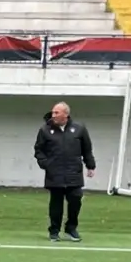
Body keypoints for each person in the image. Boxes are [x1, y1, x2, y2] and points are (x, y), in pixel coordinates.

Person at [34, 102, 95, 242]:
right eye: (53, 112)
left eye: (57, 113)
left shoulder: (79, 129)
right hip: (54, 174)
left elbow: (87, 149)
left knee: (76, 200)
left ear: (66, 114)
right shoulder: (45, 130)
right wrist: (45, 164)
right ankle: (54, 231)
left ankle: (71, 229)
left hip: (74, 173)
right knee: (56, 204)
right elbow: (39, 150)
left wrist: (90, 165)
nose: (53, 115)